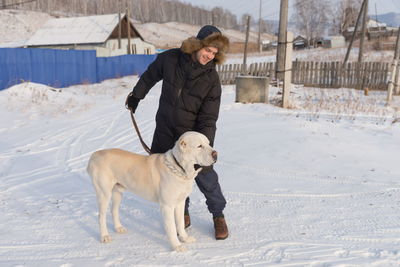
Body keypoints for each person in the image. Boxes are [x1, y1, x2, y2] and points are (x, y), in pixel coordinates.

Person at [125, 25, 229, 240]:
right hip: (165, 130)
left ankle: (218, 215)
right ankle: (182, 211)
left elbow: (209, 118)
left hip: (191, 139)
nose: (209, 56)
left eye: (214, 53)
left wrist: (204, 148)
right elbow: (150, 76)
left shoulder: (211, 80)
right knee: (168, 174)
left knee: (206, 178)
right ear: (198, 45)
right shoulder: (171, 59)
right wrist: (136, 95)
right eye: (207, 50)